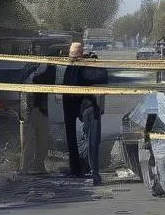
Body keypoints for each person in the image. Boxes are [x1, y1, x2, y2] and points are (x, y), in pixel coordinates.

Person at [62, 40, 109, 184]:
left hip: (74, 104)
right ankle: (92, 172)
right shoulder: (85, 66)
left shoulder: (68, 66)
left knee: (74, 139)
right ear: (82, 53)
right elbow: (104, 77)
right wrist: (94, 62)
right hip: (86, 105)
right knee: (92, 140)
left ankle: (76, 169)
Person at [18, 55, 57, 175]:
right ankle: (26, 167)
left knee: (41, 138)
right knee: (28, 139)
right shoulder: (32, 69)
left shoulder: (47, 68)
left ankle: (37, 166)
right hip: (29, 108)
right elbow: (31, 81)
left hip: (39, 107)